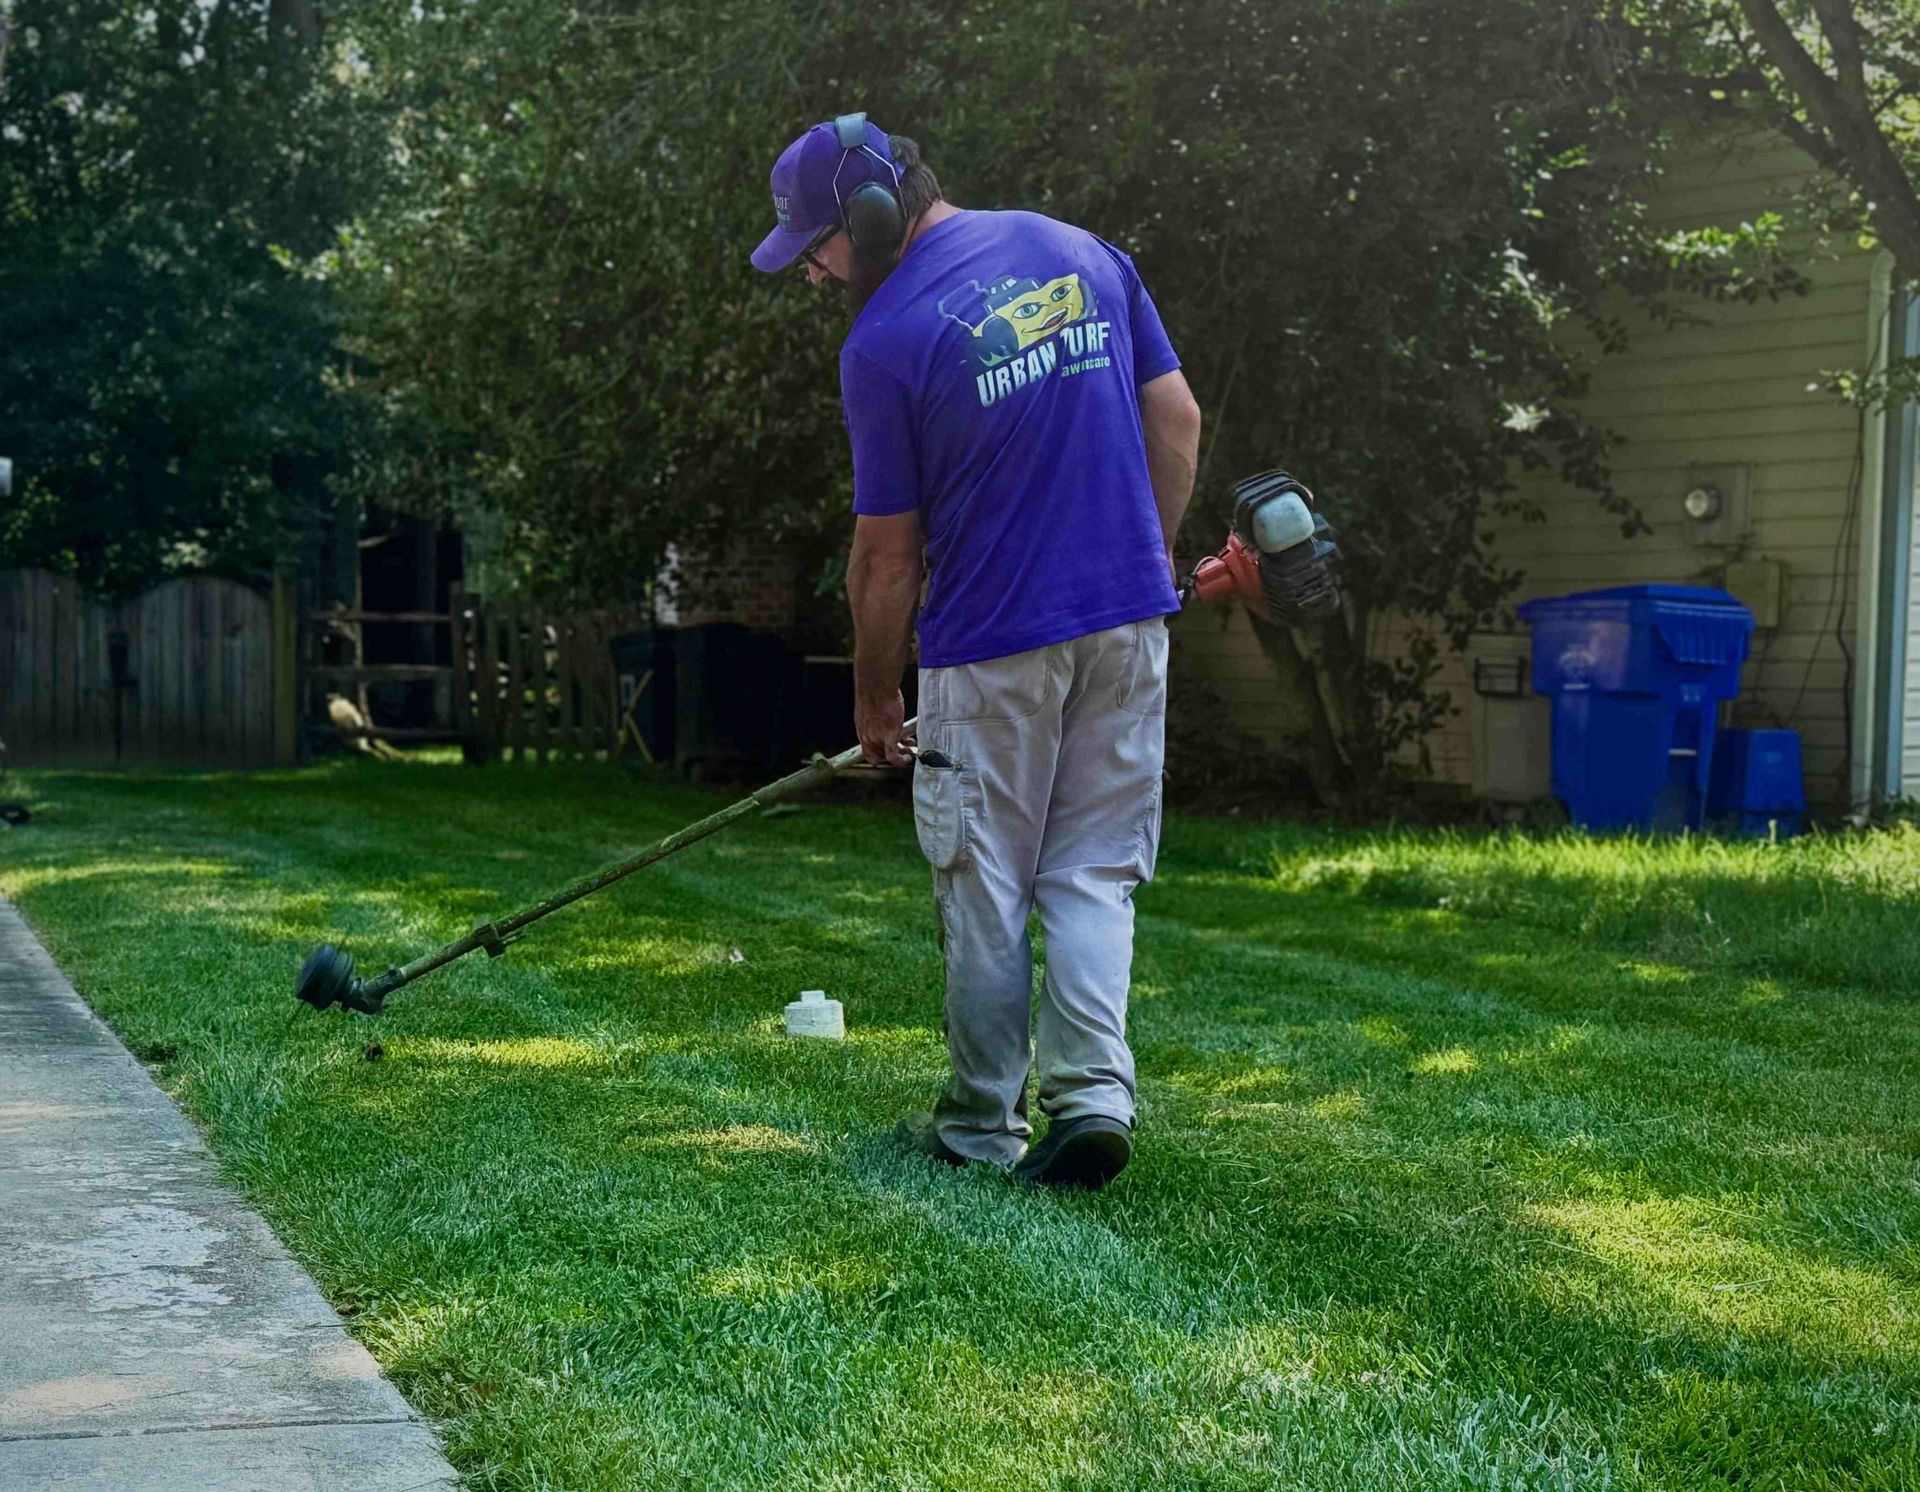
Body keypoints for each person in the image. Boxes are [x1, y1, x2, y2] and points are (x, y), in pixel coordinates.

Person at [750, 114, 1201, 1189]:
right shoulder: (1082, 251)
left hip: (993, 644)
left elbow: (885, 558)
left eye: (818, 246)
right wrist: (1147, 566)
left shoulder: (886, 340)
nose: (816, 274)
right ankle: (1093, 1098)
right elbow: (1175, 421)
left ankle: (980, 1129)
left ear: (868, 213)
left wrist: (873, 698)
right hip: (1128, 625)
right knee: (1094, 872)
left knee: (985, 879)